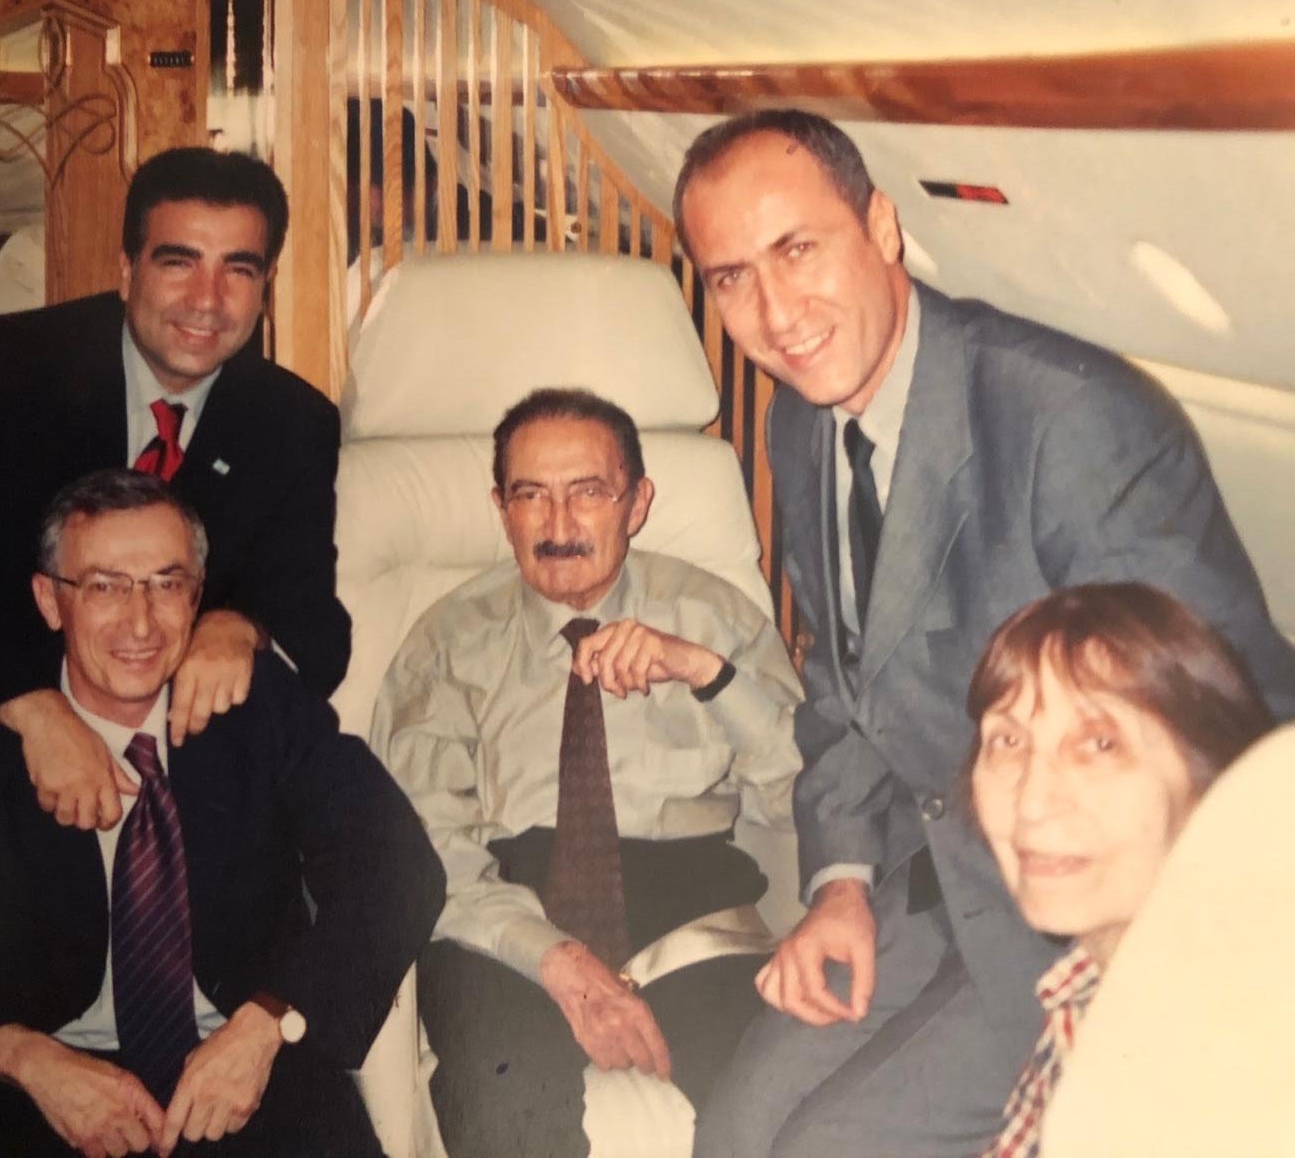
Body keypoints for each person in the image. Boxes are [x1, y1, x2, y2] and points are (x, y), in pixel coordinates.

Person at [673, 109, 1295, 1156]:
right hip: (928, 881)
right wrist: (839, 881)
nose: (775, 314)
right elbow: (842, 683)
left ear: (881, 226)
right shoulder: (799, 419)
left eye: (798, 249)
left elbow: (1224, 737)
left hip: (1081, 918)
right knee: (733, 1129)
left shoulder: (1068, 423)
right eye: (732, 277)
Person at [0, 469, 443, 1156]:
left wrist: (269, 1023)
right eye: (105, 587)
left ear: (198, 595)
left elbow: (396, 864)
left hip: (245, 1069)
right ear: (50, 600)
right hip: (47, 1090)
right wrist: (28, 1060)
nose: (141, 622)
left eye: (166, 584)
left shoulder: (257, 704)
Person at [370, 388, 803, 1157]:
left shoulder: (714, 617)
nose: (559, 525)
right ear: (501, 508)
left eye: (590, 493)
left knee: (782, 1106)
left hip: (692, 907)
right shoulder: (445, 642)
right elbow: (420, 840)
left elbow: (807, 794)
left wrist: (705, 674)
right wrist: (554, 956)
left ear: (637, 503)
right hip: (505, 910)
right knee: (505, 1103)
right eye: (531, 495)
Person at [0, 146, 351, 834]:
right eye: (179, 263)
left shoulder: (293, 422)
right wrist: (31, 708)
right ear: (126, 270)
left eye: (238, 270)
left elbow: (319, 630)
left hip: (187, 787)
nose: (207, 301)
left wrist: (242, 626)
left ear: (266, 287)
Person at [962, 582, 1273, 1158]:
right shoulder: (1088, 981)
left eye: (1100, 745)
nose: (1033, 802)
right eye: (1007, 741)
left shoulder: (1233, 1058)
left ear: (1206, 780)